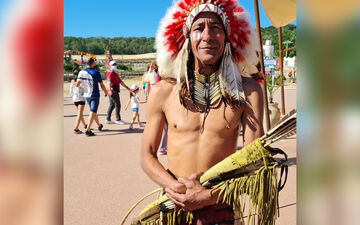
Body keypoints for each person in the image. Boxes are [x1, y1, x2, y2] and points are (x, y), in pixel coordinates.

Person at [140, 0, 264, 223]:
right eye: (198, 28)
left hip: (222, 205)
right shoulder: (163, 92)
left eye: (216, 28)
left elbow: (254, 159)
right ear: (187, 37)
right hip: (175, 205)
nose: (207, 36)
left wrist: (208, 196)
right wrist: (176, 188)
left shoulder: (248, 91)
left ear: (227, 37)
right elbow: (147, 155)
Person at [74, 58, 107, 136]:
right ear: (93, 64)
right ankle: (88, 130)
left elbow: (78, 84)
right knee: (92, 111)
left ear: (86, 64)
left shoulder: (81, 72)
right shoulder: (96, 73)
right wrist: (105, 91)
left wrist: (73, 82)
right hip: (95, 94)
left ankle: (99, 125)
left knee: (93, 111)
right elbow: (101, 84)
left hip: (86, 95)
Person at [105, 60, 132, 125]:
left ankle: (108, 119)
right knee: (117, 104)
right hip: (113, 90)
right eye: (113, 65)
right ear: (110, 66)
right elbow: (108, 81)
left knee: (112, 105)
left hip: (115, 90)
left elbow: (120, 82)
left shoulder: (115, 74)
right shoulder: (110, 72)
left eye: (115, 65)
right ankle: (118, 119)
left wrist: (127, 88)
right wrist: (109, 90)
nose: (115, 66)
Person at [69, 69, 87, 134]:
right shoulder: (82, 81)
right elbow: (84, 88)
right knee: (79, 114)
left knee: (80, 114)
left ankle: (85, 125)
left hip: (75, 99)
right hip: (81, 99)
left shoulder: (72, 81)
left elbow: (70, 91)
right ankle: (76, 128)